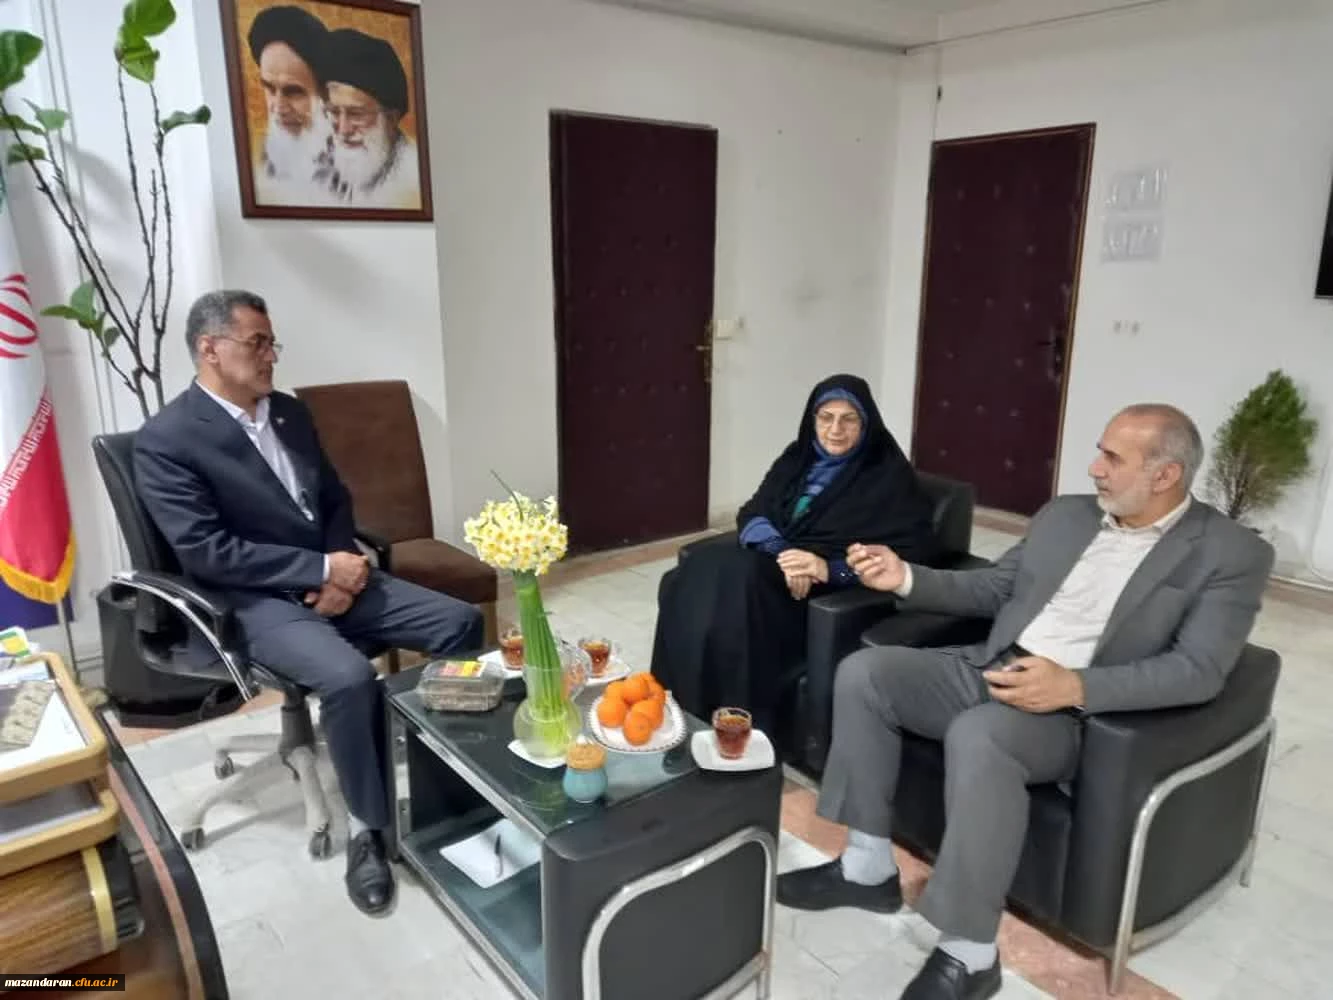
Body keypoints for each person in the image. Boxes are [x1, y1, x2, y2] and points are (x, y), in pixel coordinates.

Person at [776, 403, 1274, 1000]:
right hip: (994, 666)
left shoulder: (1228, 554)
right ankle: (866, 866)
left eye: (1113, 458)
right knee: (865, 674)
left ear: (1164, 475)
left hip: (1078, 712)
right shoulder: (1067, 515)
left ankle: (969, 953)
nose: (1094, 468)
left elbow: (1198, 671)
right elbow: (996, 587)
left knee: (981, 734)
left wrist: (1076, 687)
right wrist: (905, 577)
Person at [134, 290, 483, 916]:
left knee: (461, 623)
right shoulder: (168, 439)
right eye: (257, 343)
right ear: (210, 349)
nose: (271, 356)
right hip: (251, 598)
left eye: (272, 343)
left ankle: (445, 781)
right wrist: (317, 570)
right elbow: (206, 552)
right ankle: (369, 832)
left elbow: (332, 498)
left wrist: (339, 564)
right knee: (349, 678)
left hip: (332, 575)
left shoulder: (290, 413)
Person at [650, 374, 939, 733]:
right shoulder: (797, 458)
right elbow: (752, 512)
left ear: (866, 423)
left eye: (848, 419)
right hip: (776, 566)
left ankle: (734, 726)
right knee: (687, 576)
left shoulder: (888, 476)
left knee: (739, 581)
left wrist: (828, 568)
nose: (835, 429)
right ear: (812, 419)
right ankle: (675, 707)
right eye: (826, 417)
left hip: (816, 594)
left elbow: (913, 553)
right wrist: (784, 552)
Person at [319, 28, 420, 209]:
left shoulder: (414, 180)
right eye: (334, 112)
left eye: (356, 114)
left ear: (391, 119)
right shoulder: (321, 165)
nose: (343, 130)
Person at [246, 5, 335, 205]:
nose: (278, 107)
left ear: (324, 94)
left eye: (293, 92)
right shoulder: (260, 162)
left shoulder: (360, 164)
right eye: (270, 88)